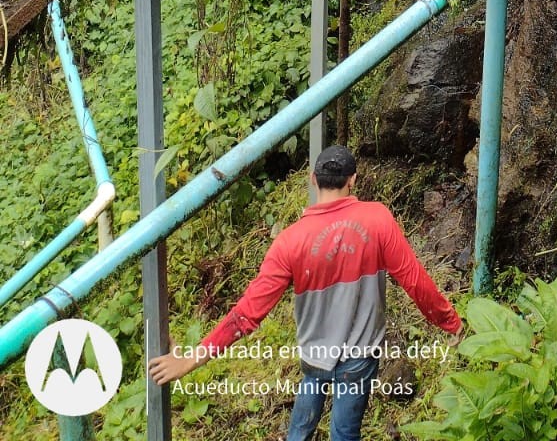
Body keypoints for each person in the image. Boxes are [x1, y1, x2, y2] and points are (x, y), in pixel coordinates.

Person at [148, 145, 462, 441]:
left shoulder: (290, 241)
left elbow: (245, 315)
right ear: (353, 180)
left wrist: (191, 359)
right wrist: (452, 323)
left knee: (307, 403)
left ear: (313, 180)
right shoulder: (378, 219)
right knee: (345, 433)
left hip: (315, 354)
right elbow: (416, 282)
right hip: (360, 355)